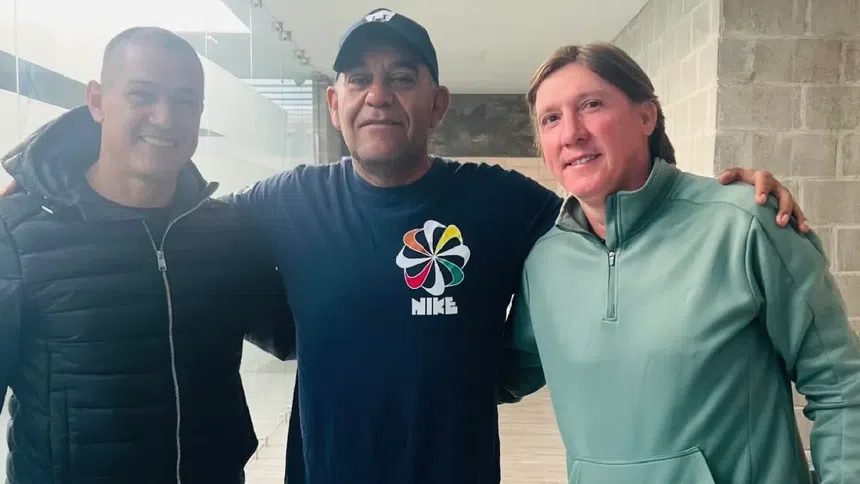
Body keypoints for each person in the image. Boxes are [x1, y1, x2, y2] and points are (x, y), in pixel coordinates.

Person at [1, 12, 803, 484]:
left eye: (403, 76)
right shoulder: (283, 202)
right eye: (359, 79)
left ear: (439, 101)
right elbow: (166, 217)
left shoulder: (502, 202)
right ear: (334, 102)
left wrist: (711, 197)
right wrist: (32, 182)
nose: (378, 95)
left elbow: (612, 214)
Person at [500, 42, 860, 484]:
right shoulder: (545, 263)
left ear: (646, 117)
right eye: (551, 118)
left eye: (591, 105)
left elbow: (842, 388)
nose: (571, 133)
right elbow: (495, 375)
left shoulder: (743, 225)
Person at [0, 27, 295, 484]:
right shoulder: (17, 233)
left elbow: (299, 331)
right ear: (97, 101)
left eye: (184, 101)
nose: (165, 118)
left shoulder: (226, 233)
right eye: (142, 95)